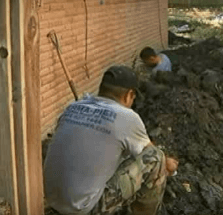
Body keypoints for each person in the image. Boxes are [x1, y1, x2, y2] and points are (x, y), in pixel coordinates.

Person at [43, 65, 178, 215]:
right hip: (87, 209)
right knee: (156, 158)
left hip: (53, 201)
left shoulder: (72, 107)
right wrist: (168, 164)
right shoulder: (127, 117)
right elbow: (149, 152)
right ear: (129, 95)